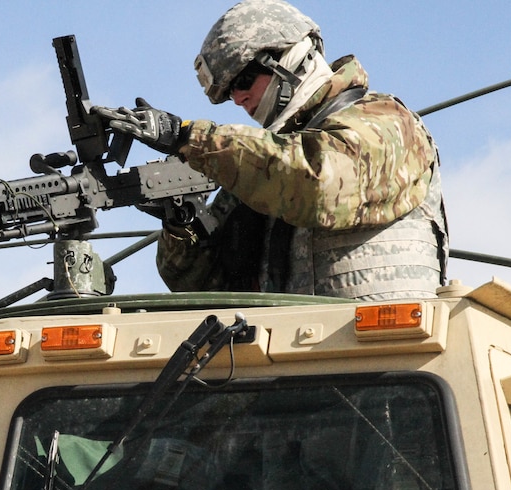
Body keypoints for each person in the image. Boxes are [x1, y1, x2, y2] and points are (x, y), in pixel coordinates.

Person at [93, 0, 448, 301]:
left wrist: (190, 138)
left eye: (243, 80)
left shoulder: (386, 123)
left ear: (292, 58)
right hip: (286, 363)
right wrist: (182, 223)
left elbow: (319, 184)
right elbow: (208, 288)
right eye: (230, 92)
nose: (238, 98)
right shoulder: (262, 171)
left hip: (385, 356)